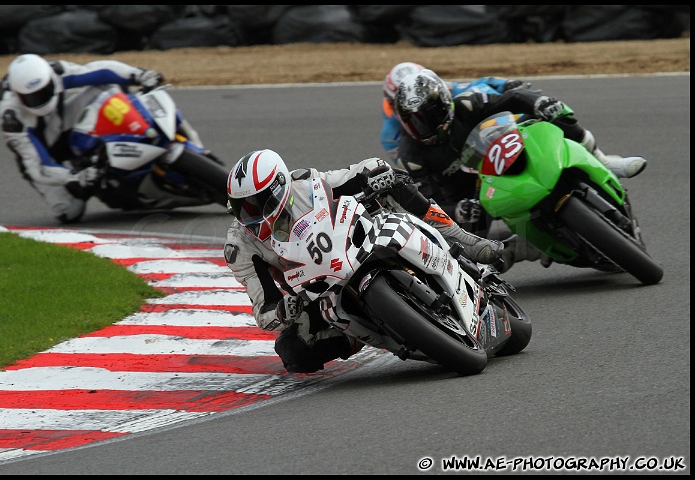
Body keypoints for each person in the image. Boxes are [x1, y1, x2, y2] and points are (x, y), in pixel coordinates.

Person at [224, 149, 503, 374]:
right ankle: (356, 335)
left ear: (280, 187)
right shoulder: (240, 246)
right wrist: (283, 310)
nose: (249, 215)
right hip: (314, 290)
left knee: (395, 181)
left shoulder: (305, 184)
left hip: (353, 241)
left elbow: (353, 174)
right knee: (293, 352)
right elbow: (264, 309)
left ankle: (465, 240)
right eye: (241, 208)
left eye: (257, 203)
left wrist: (375, 172)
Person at [392, 69, 648, 271]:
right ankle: (525, 247)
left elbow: (511, 99)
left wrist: (539, 103)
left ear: (445, 103)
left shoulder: (466, 105)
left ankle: (602, 160)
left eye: (429, 115)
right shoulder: (410, 156)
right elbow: (422, 204)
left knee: (555, 116)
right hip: (471, 200)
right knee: (470, 259)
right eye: (414, 120)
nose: (423, 126)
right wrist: (455, 210)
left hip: (501, 162)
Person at [0, 53, 165, 223]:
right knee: (70, 211)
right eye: (32, 97)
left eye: (45, 91)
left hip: (60, 122)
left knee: (107, 87)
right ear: (18, 95)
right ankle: (93, 178)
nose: (40, 99)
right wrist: (75, 177)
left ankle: (131, 131)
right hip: (41, 149)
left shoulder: (56, 72)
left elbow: (100, 71)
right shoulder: (12, 118)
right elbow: (39, 166)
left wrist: (139, 75)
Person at [380, 61, 528, 167]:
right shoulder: (390, 136)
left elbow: (475, 85)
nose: (413, 105)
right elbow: (409, 170)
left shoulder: (442, 91)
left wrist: (506, 86)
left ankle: (520, 123)